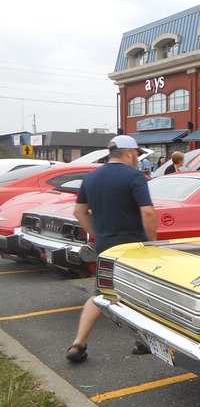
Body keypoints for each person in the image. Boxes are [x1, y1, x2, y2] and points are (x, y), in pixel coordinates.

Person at [66, 135, 158, 363]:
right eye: (136, 153)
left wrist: (97, 234)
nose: (137, 157)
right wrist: (152, 242)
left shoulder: (92, 177)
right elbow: (147, 212)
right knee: (141, 293)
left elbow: (79, 211)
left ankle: (78, 343)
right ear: (128, 153)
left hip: (105, 246)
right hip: (134, 246)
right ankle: (143, 341)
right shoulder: (135, 176)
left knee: (101, 293)